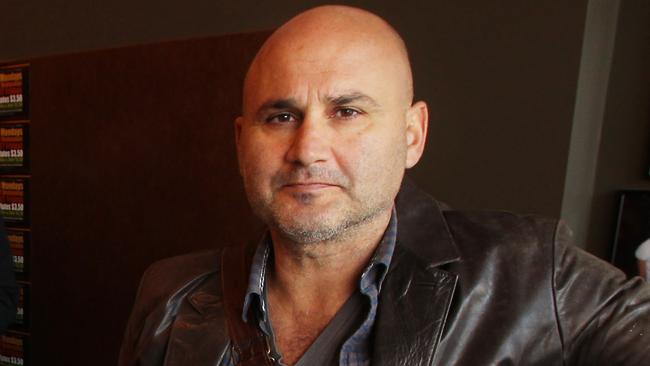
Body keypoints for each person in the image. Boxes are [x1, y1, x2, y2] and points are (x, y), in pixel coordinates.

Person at [119, 5, 650, 366]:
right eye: (280, 116)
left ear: (412, 135)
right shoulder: (171, 296)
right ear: (241, 142)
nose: (307, 148)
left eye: (347, 111)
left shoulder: (532, 276)